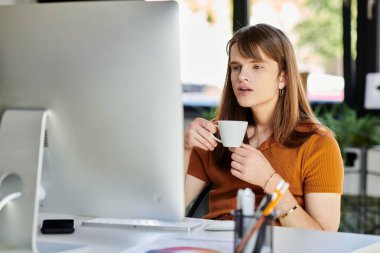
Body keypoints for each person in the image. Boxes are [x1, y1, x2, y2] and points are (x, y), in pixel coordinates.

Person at [184, 23, 343, 231]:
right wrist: (186, 149)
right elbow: (167, 210)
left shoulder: (318, 143)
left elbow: (325, 239)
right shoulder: (215, 135)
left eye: (257, 66)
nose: (242, 76)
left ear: (283, 77)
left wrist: (270, 181)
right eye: (236, 67)